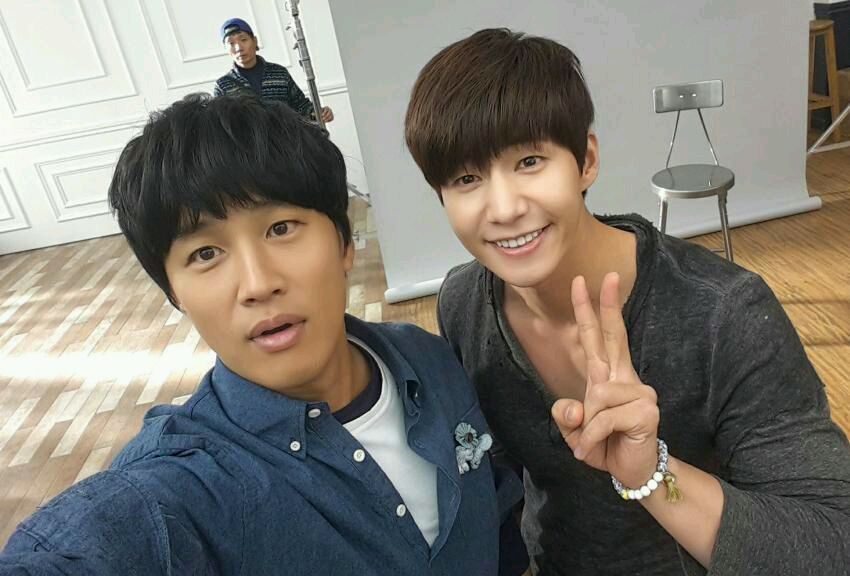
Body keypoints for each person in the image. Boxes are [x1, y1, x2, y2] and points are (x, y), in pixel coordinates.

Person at [0, 94, 528, 575]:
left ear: (344, 243)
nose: (257, 284)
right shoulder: (184, 486)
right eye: (205, 253)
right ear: (174, 293)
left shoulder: (426, 358)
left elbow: (497, 511)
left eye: (280, 229)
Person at [404, 27, 850, 575]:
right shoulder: (463, 305)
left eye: (530, 162)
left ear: (586, 160)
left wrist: (650, 475)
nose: (503, 208)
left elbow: (831, 544)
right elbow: (498, 476)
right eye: (467, 178)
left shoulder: (724, 314)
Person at [213, 17, 334, 124]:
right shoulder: (223, 86)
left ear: (254, 41)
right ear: (226, 49)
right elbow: (221, 126)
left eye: (243, 40)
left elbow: (301, 106)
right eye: (231, 43)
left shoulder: (279, 73)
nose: (238, 48)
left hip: (286, 141)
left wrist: (318, 113)